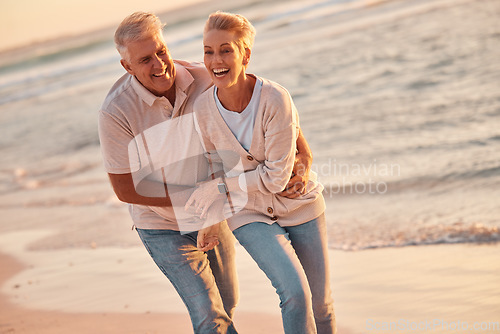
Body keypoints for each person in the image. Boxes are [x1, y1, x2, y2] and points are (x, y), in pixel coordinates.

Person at [97, 12, 314, 333]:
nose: (159, 64)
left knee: (228, 303)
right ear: (127, 67)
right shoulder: (116, 111)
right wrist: (198, 199)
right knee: (209, 315)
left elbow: (263, 105)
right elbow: (125, 189)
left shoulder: (205, 77)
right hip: (161, 225)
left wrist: (303, 153)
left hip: (213, 211)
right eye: (145, 60)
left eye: (161, 52)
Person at [186, 12, 336, 334]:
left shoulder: (275, 98)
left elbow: (277, 178)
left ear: (246, 54)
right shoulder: (202, 109)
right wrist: (214, 215)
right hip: (248, 210)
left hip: (299, 201)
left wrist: (222, 188)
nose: (216, 60)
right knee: (294, 294)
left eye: (226, 50)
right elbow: (216, 165)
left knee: (321, 304)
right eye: (208, 51)